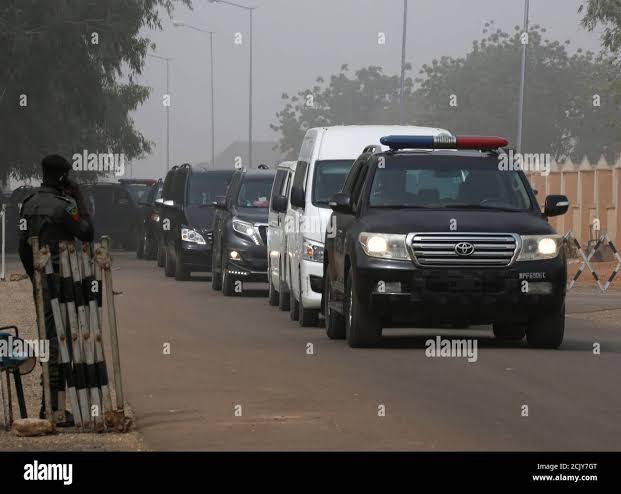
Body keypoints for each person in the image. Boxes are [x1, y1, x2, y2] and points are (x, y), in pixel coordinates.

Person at [18, 154, 94, 424]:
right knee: (61, 342)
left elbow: (22, 247)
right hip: (63, 284)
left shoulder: (27, 205)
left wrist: (35, 278)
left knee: (48, 338)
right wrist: (81, 200)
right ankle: (53, 409)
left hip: (41, 284)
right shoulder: (65, 207)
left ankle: (49, 404)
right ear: (63, 177)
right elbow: (87, 232)